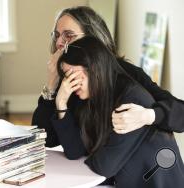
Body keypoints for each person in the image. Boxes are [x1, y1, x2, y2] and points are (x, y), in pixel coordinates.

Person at [32, 6, 184, 142]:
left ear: (93, 39)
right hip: (82, 166)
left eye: (68, 35)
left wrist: (149, 116)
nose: (59, 42)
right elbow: (44, 139)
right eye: (57, 35)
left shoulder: (128, 74)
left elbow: (181, 113)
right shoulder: (65, 77)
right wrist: (51, 87)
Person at [53, 36, 184, 187]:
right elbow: (75, 151)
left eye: (73, 75)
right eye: (66, 76)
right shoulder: (90, 97)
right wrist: (61, 102)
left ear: (94, 67)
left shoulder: (131, 97)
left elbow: (105, 165)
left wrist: (150, 115)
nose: (68, 83)